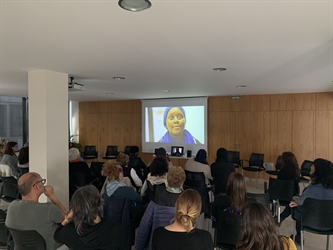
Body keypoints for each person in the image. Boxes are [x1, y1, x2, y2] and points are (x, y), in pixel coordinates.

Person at [5, 172, 67, 250]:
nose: (43, 184)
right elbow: (67, 219)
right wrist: (52, 196)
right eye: (42, 181)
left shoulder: (12, 206)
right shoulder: (48, 209)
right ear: (36, 186)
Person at [54, 185, 126, 250]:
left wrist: (67, 219)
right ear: (100, 205)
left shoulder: (69, 232)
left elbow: (56, 236)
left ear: (75, 209)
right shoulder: (117, 230)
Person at [289, 158, 333, 244]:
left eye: (312, 165)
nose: (310, 167)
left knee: (297, 207)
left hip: (309, 223)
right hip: (330, 225)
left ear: (317, 170)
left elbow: (301, 202)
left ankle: (298, 236)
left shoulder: (310, 190)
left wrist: (295, 199)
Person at [275, 151, 300, 226]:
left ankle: (277, 217)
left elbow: (279, 184)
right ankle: (281, 217)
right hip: (292, 196)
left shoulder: (281, 172)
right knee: (293, 203)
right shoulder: (296, 172)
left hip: (279, 196)